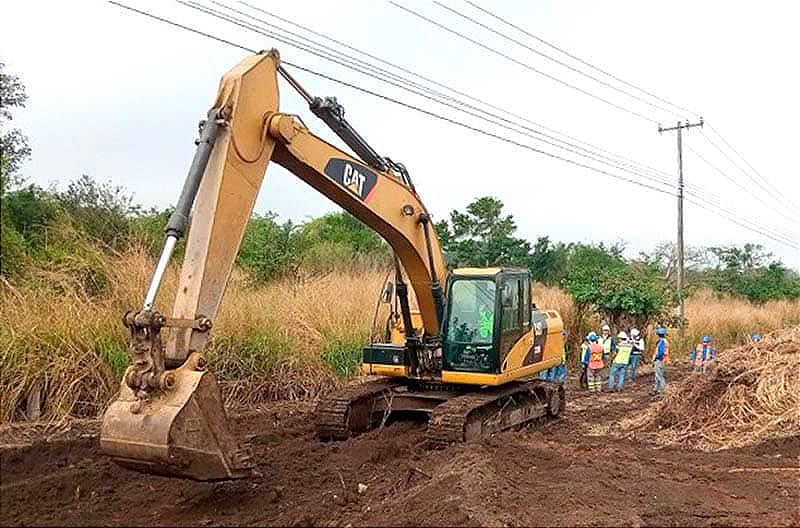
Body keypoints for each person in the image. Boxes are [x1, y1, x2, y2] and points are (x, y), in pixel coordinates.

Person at [651, 326, 670, 396]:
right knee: (657, 375)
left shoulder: (662, 342)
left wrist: (655, 358)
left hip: (659, 360)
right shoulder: (665, 341)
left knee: (659, 376)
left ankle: (664, 390)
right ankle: (656, 389)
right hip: (662, 360)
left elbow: (660, 352)